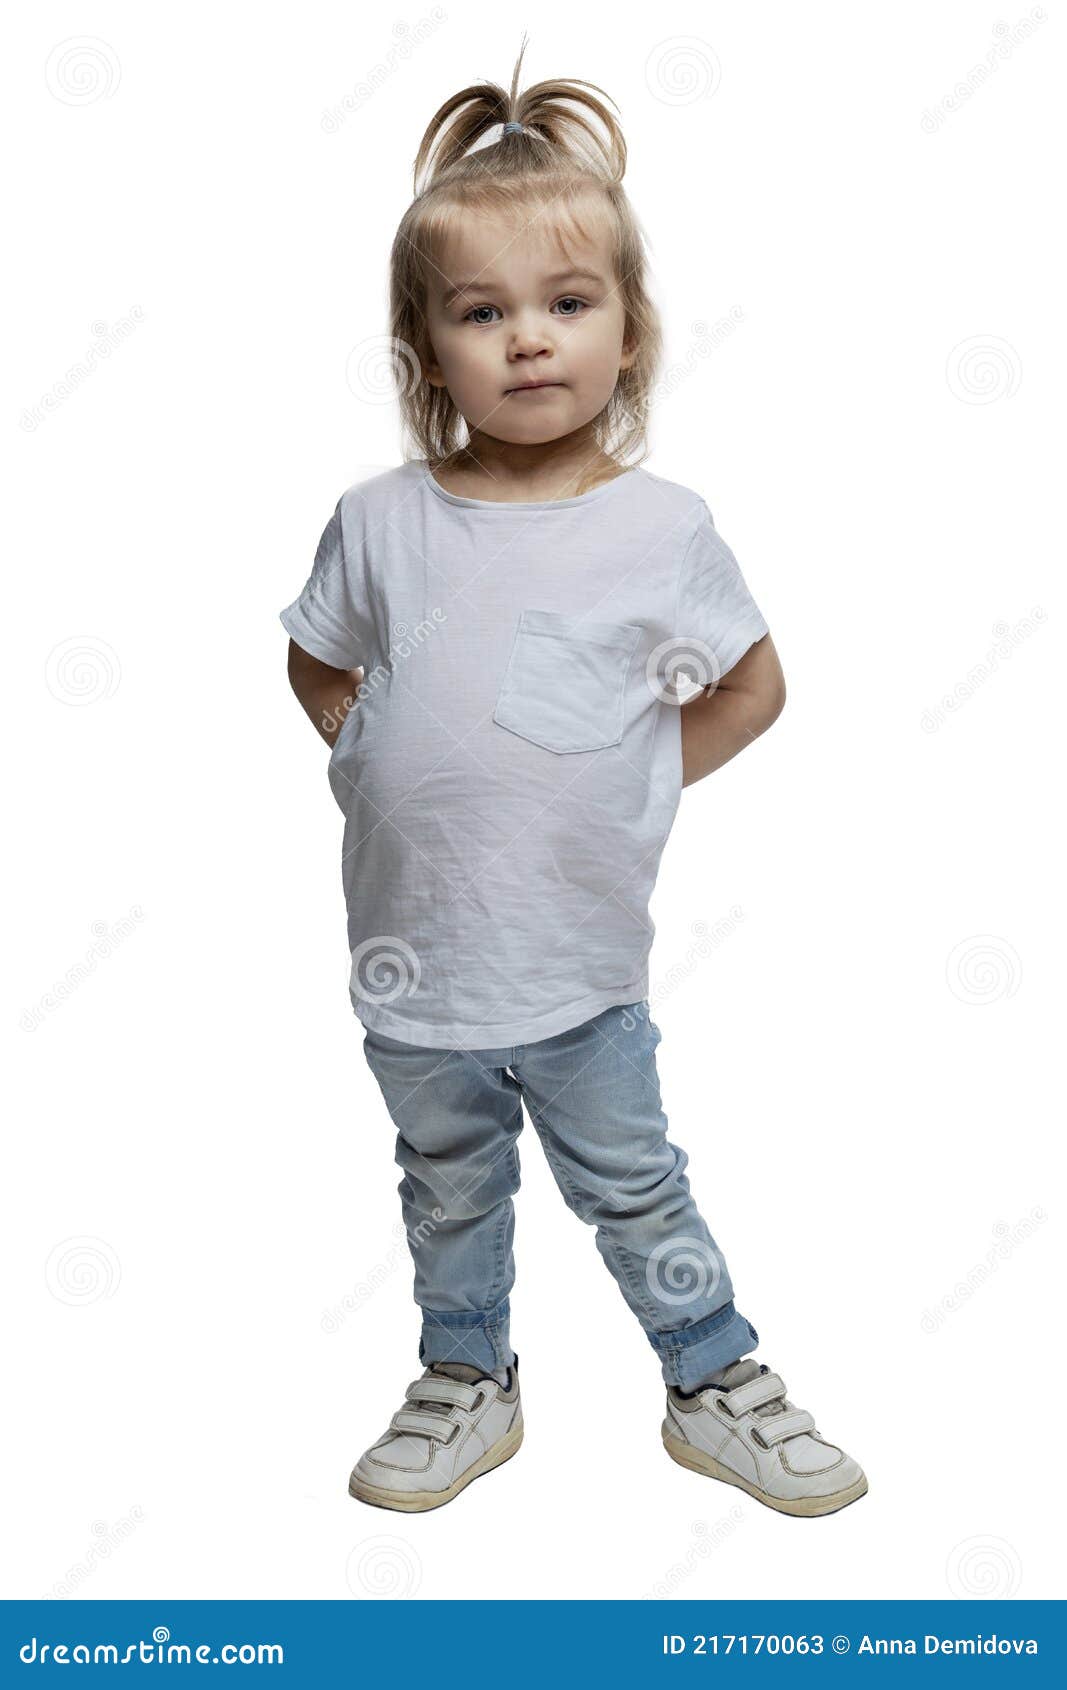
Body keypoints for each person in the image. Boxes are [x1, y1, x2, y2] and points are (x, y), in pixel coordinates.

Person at [279, 41, 867, 1518]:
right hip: (414, 973)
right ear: (427, 349)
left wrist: (632, 776)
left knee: (636, 1185)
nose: (528, 340)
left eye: (566, 303)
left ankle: (712, 1375)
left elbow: (756, 685)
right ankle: (466, 1375)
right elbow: (314, 655)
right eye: (484, 312)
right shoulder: (377, 519)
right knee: (448, 1190)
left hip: (578, 968)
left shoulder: (660, 530)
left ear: (629, 333)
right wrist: (362, 740)